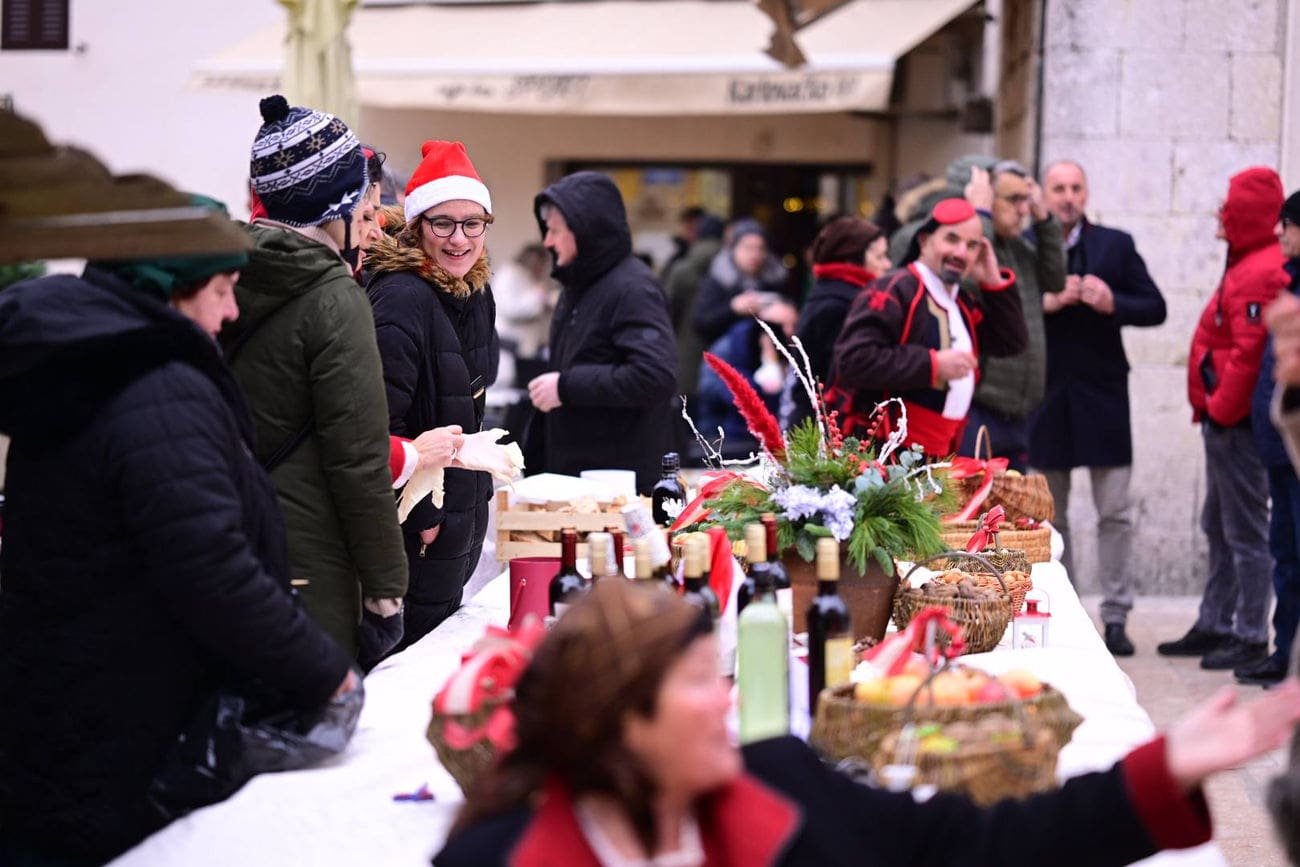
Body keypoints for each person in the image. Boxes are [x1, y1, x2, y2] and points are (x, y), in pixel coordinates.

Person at [434, 578, 1300, 866]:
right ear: (620, 718)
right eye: (700, 682)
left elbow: (974, 846)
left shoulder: (780, 784)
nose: (728, 700)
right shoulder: (496, 857)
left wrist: (1161, 770)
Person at [0, 203, 358, 865]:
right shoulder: (155, 386)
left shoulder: (89, 363)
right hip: (126, 722)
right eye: (221, 291)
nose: (231, 313)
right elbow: (211, 567)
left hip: (68, 702)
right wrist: (323, 670)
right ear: (170, 287)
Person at [220, 95, 408, 659]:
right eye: (362, 205)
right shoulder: (333, 297)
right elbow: (358, 459)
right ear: (336, 206)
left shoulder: (221, 275)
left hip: (222, 538)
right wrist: (386, 591)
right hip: (305, 558)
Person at [1029, 159, 1167, 658]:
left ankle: (1116, 617)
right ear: (1045, 195)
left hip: (1104, 396)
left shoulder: (1116, 244)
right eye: (1059, 188)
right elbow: (999, 310)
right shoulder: (1026, 246)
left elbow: (1155, 307)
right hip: (1045, 397)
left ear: (1086, 194)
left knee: (1115, 514)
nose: (1068, 197)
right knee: (1051, 518)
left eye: (1075, 188)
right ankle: (1066, 613)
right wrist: (1043, 303)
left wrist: (1114, 303)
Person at [365, 140, 500, 646]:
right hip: (415, 526)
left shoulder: (475, 290)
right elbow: (378, 423)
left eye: (472, 224)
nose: (459, 239)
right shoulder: (401, 297)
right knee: (403, 657)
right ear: (417, 226)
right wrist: (424, 517)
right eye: (443, 223)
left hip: (461, 512)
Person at [1161, 166, 1289, 671]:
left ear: (1247, 213)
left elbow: (1249, 354)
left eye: (1229, 204)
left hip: (1235, 426)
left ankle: (1251, 633)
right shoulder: (1247, 264)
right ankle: (1215, 621)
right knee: (1218, 524)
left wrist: (1219, 409)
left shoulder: (1260, 270)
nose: (1220, 212)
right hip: (1224, 422)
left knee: (1245, 532)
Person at [828, 198, 1027, 457]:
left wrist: (993, 282)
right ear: (924, 241)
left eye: (972, 245)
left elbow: (1011, 342)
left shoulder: (961, 302)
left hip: (942, 452)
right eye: (951, 239)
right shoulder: (894, 290)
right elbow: (854, 360)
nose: (961, 253)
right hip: (885, 454)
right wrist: (932, 365)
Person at [527, 171, 678, 494]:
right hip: (579, 477)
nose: (547, 241)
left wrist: (566, 387)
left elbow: (655, 375)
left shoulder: (633, 289)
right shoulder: (578, 285)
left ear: (585, 231)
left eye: (555, 231)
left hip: (618, 487)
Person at [958, 160, 1065, 471]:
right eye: (1014, 199)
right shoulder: (973, 248)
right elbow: (969, 275)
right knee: (973, 497)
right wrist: (980, 215)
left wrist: (1045, 220)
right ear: (987, 199)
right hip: (981, 405)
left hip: (1021, 410)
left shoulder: (1021, 250)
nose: (1023, 210)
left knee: (1011, 500)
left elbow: (1056, 280)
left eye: (1026, 200)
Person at [1237, 189, 1300, 686]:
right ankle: (1285, 654)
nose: (1280, 233)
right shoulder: (1291, 284)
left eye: (1288, 224)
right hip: (1281, 450)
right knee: (1287, 555)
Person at [782, 216, 888, 429]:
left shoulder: (835, 294)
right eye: (880, 256)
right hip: (823, 429)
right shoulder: (840, 306)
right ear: (851, 260)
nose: (887, 265)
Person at [664, 212, 724, 401]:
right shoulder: (732, 268)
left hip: (685, 354)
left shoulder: (682, 268)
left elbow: (666, 312)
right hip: (723, 358)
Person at [494, 243, 560, 365]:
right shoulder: (509, 274)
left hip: (525, 346)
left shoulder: (528, 276)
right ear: (533, 260)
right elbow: (511, 309)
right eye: (542, 263)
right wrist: (539, 297)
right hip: (508, 344)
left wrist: (546, 304)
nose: (544, 269)